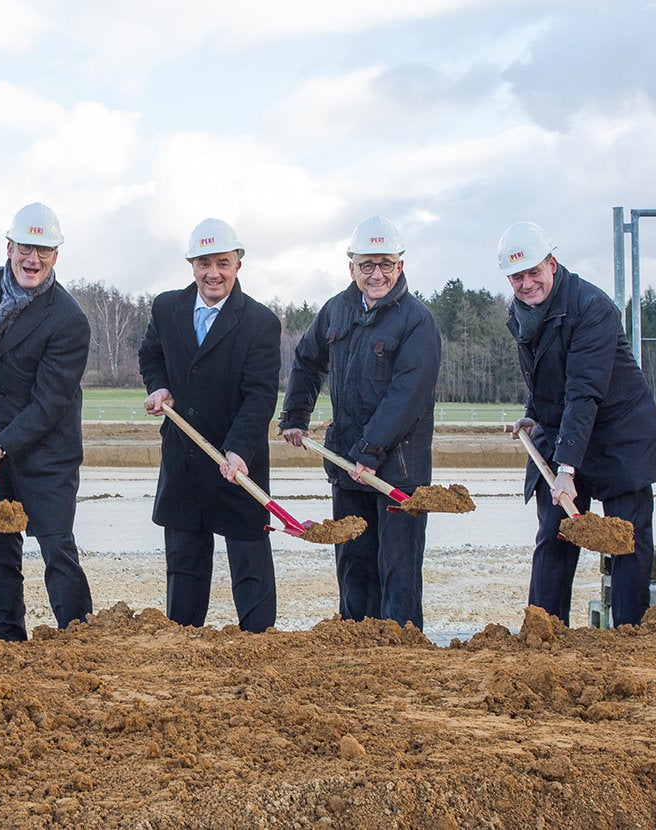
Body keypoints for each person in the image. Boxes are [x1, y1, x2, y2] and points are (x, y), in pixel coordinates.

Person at [497, 221, 656, 628]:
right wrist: (534, 411)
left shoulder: (592, 307)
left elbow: (584, 389)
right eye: (518, 276)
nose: (527, 283)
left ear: (552, 264)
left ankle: (629, 635)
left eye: (534, 272)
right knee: (555, 535)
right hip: (566, 433)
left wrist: (566, 469)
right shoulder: (523, 312)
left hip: (619, 439)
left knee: (625, 540)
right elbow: (550, 374)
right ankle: (543, 630)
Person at [280, 217, 440, 628]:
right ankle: (355, 644)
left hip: (397, 472)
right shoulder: (337, 310)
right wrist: (296, 415)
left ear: (400, 266)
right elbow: (307, 361)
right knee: (354, 562)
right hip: (347, 463)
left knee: (397, 569)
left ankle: (401, 650)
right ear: (351, 267)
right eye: (367, 265)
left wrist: (370, 451)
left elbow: (407, 397)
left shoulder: (417, 321)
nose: (377, 274)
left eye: (386, 263)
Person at [0, 202, 93, 641]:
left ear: (56, 256)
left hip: (46, 450)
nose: (33, 260)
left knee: (56, 547)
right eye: (26, 248)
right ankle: (6, 636)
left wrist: (0, 446)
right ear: (9, 246)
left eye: (44, 251)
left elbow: (48, 403)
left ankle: (79, 639)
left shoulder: (69, 320)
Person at [138, 218, 282, 633]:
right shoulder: (167, 308)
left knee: (249, 563)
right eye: (204, 263)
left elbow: (260, 396)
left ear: (238, 264)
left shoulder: (259, 322)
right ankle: (184, 643)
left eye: (222, 262)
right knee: (184, 565)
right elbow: (151, 356)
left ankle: (260, 646)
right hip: (184, 459)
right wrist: (160, 386)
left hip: (236, 460)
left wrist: (238, 449)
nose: (213, 273)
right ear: (192, 265)